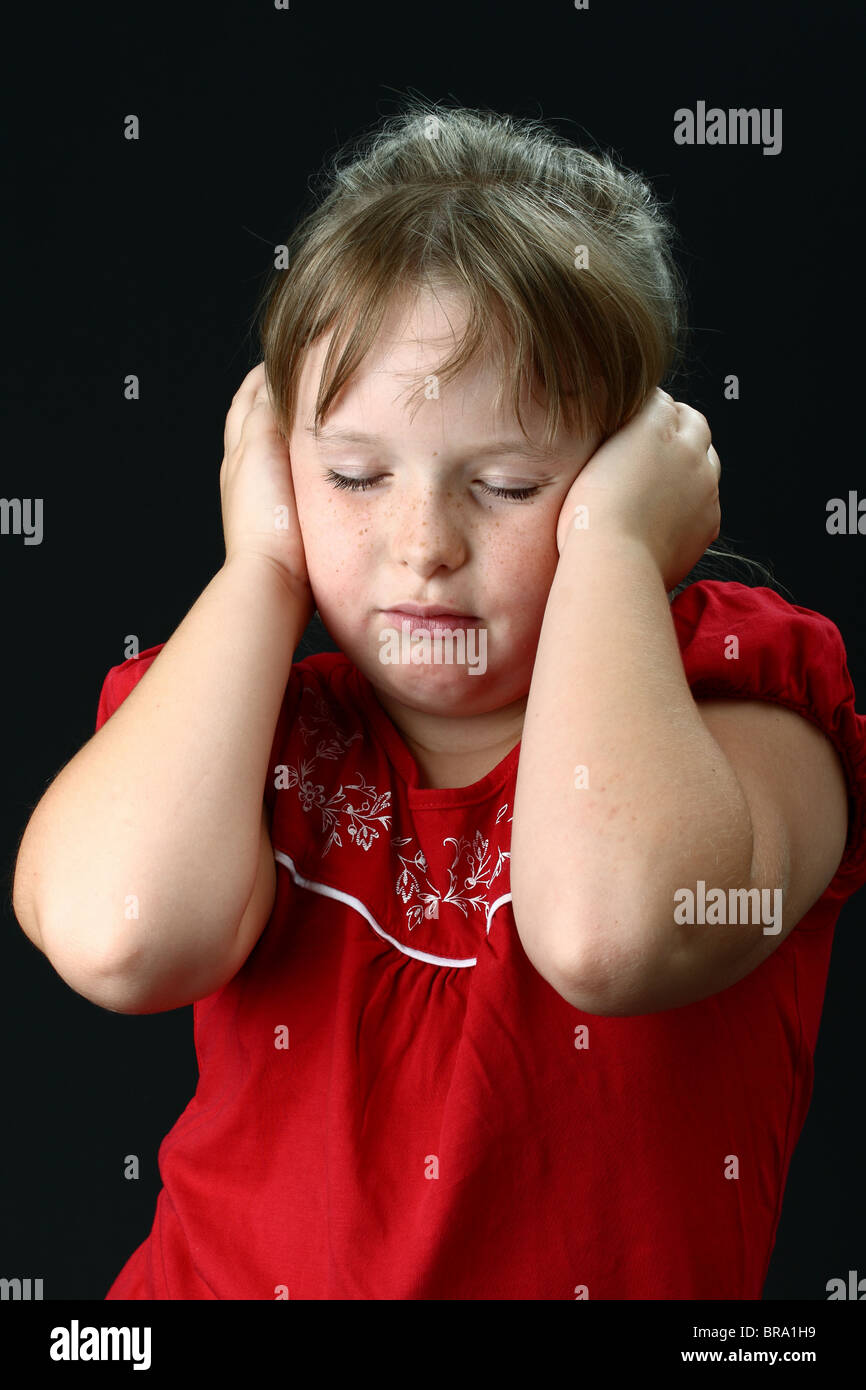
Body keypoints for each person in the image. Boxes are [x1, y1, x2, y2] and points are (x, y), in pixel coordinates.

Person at [13, 101, 866, 1300]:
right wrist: (258, 566)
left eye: (509, 485)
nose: (421, 545)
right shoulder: (249, 717)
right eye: (353, 475)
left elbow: (608, 933)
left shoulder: (743, 704)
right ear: (277, 465)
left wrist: (613, 555)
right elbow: (123, 932)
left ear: (631, 471)